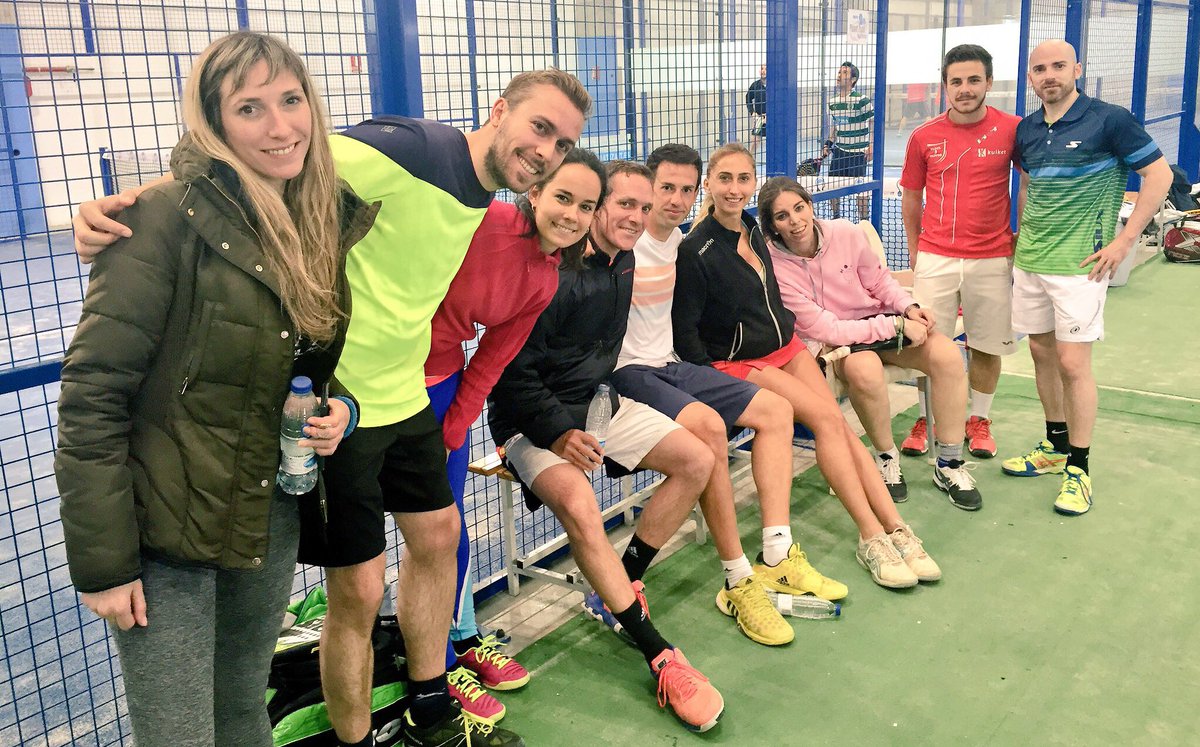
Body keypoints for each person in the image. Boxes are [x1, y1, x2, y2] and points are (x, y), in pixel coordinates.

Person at [72, 68, 592, 747]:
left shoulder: (491, 203)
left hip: (404, 393)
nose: (547, 150)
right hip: (335, 404)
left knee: (439, 539)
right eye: (540, 128)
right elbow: (277, 159)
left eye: (562, 142)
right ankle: (355, 741)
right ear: (500, 111)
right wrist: (134, 206)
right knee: (360, 587)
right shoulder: (414, 150)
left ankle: (429, 711)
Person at [54, 32, 368, 746]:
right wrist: (105, 565)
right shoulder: (160, 217)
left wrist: (340, 407)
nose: (280, 126)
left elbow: (296, 359)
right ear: (214, 121)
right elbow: (91, 398)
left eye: (291, 100)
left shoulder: (314, 220)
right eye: (250, 107)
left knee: (240, 712)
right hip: (166, 535)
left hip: (264, 517)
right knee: (179, 734)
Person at [487, 161, 724, 733]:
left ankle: (622, 581)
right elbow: (510, 376)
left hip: (593, 406)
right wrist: (560, 434)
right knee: (581, 507)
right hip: (529, 419)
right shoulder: (547, 273)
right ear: (597, 208)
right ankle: (660, 654)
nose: (636, 218)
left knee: (697, 459)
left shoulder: (625, 261)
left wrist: (598, 415)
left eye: (644, 209)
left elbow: (597, 361)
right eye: (624, 205)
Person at [610, 144, 849, 649]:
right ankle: (737, 577)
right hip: (627, 372)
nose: (674, 199)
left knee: (777, 412)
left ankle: (777, 554)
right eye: (664, 188)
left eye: (685, 189)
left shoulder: (682, 243)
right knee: (711, 430)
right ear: (647, 189)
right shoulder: (622, 243)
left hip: (675, 365)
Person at [674, 143, 943, 590]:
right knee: (824, 418)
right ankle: (870, 535)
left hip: (787, 347)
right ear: (709, 184)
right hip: (739, 361)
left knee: (836, 423)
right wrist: (713, 377)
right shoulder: (696, 250)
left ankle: (897, 529)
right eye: (725, 179)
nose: (735, 188)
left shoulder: (755, 232)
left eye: (744, 178)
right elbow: (687, 335)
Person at [427, 147, 607, 723]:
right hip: (378, 382)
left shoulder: (546, 276)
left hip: (441, 386)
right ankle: (424, 665)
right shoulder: (485, 223)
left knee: (446, 528)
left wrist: (454, 426)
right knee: (377, 543)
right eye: (562, 197)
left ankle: (456, 642)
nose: (573, 214)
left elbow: (492, 360)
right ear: (534, 193)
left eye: (586, 205)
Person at [1005, 40, 1171, 516]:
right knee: (1040, 353)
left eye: (1059, 66)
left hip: (1080, 265)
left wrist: (1124, 243)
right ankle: (1055, 447)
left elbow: (1157, 177)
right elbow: (1031, 181)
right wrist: (1020, 232)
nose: (1049, 75)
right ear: (1030, 78)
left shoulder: (1110, 120)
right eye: (1040, 69)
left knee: (1074, 365)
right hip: (1032, 260)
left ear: (1076, 68)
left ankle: (1079, 467)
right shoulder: (1028, 130)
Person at [760, 176, 981, 511]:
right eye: (782, 216)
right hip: (839, 343)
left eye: (799, 208)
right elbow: (828, 328)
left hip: (879, 325)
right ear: (772, 226)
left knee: (948, 356)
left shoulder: (846, 233)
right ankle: (886, 460)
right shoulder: (775, 268)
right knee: (864, 370)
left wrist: (909, 308)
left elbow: (879, 281)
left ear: (809, 205)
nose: (795, 221)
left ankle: (949, 464)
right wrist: (895, 326)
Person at [899, 44, 1022, 464]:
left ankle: (979, 420)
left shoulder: (1012, 130)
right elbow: (911, 198)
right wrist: (917, 250)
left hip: (992, 257)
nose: (965, 89)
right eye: (956, 81)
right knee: (926, 343)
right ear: (945, 86)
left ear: (989, 82)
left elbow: (1028, 185)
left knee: (987, 345)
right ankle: (926, 417)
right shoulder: (923, 136)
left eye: (973, 80)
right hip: (936, 258)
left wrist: (1019, 239)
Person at [825, 61, 874, 221]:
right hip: (840, 152)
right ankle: (836, 217)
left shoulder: (862, 100)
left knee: (861, 190)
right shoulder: (832, 103)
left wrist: (871, 145)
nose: (839, 75)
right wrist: (828, 144)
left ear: (853, 80)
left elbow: (873, 121)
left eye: (844, 73)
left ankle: (864, 221)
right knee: (832, 186)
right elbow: (835, 127)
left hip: (858, 154)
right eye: (839, 72)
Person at [746, 64, 767, 156]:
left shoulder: (775, 85)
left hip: (773, 118)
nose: (763, 71)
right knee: (754, 141)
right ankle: (750, 160)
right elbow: (748, 98)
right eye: (762, 68)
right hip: (759, 117)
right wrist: (752, 112)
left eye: (766, 69)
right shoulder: (755, 85)